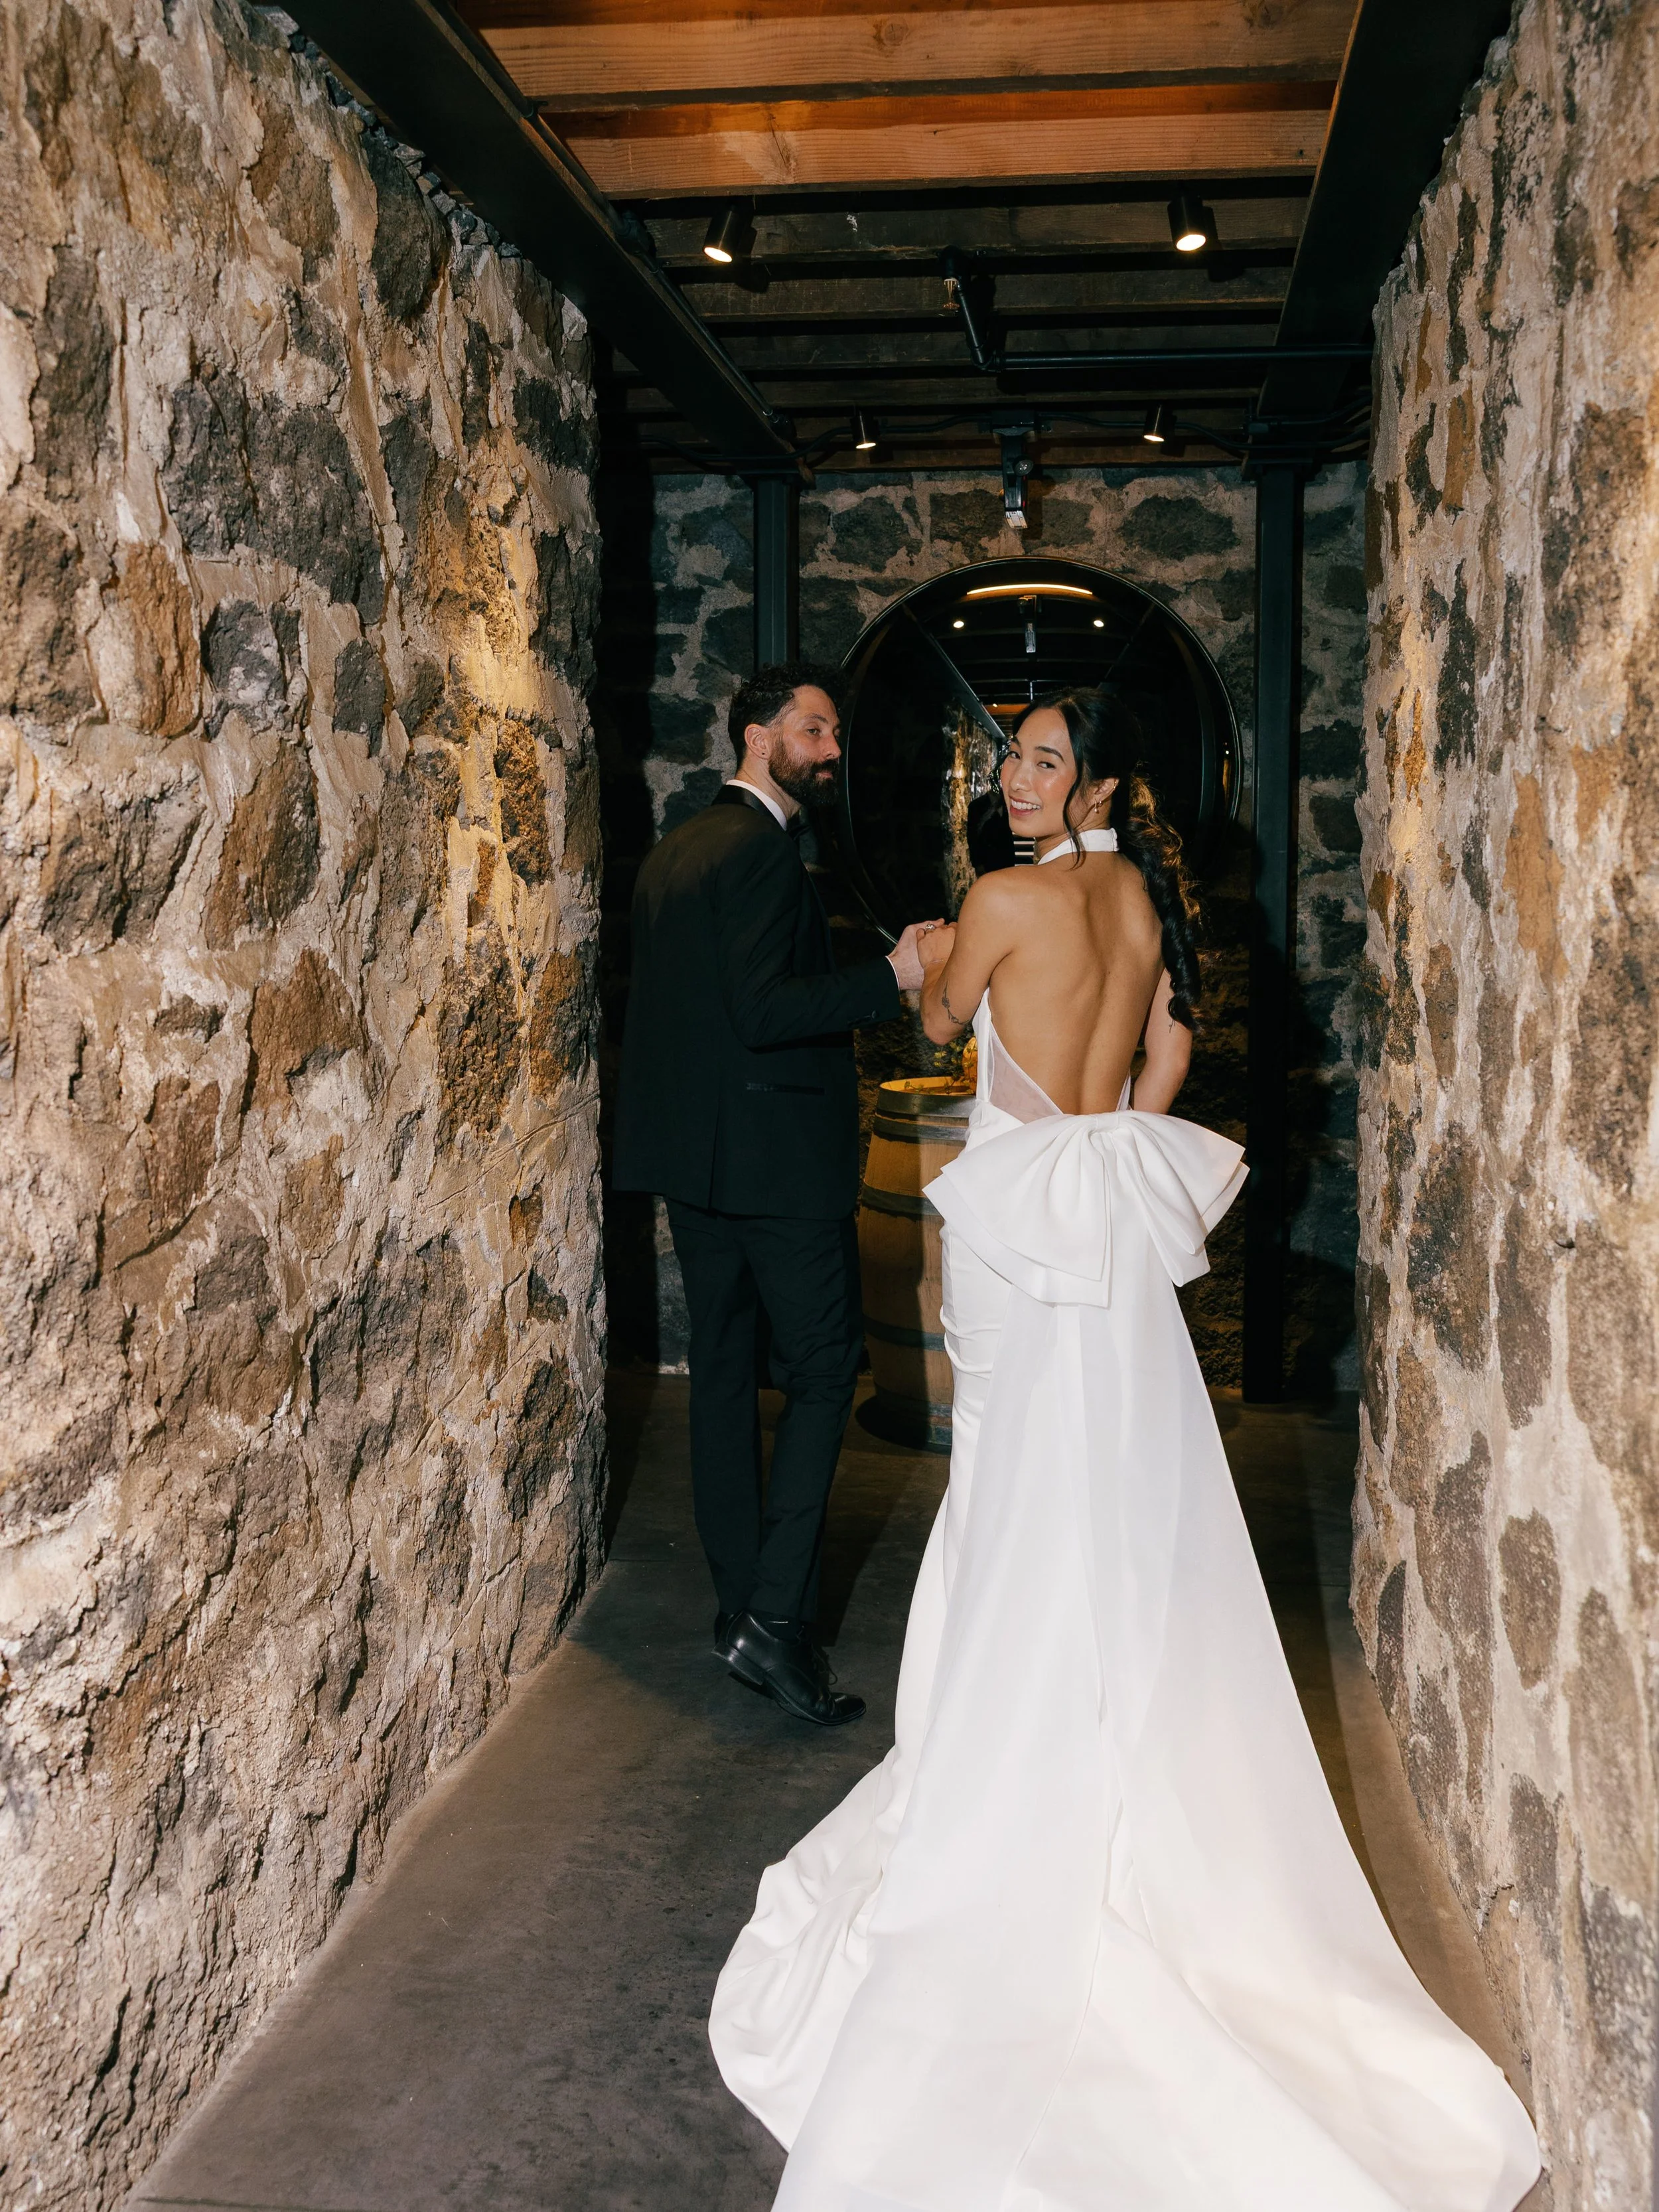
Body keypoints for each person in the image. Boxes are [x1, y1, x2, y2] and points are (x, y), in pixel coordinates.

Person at [709, 688, 1540, 2211]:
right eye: (1012, 757)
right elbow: (1157, 1066)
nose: (1014, 779)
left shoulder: (1001, 898)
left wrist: (926, 966)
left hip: (1015, 1237)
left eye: (1041, 760)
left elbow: (940, 1027)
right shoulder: (1143, 908)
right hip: (1101, 1218)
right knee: (1107, 1498)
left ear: (1091, 780)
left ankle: (1000, 1769)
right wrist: (1104, 1093)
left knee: (1005, 1497)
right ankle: (1108, 1752)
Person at [614, 664, 937, 1731]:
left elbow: (710, 1004)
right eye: (813, 730)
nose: (831, 749)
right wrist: (892, 977)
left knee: (721, 1378)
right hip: (777, 1170)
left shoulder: (680, 848)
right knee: (821, 1374)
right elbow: (763, 1010)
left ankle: (740, 1607)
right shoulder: (759, 851)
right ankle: (780, 1620)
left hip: (698, 1167)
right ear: (757, 738)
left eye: (835, 732)